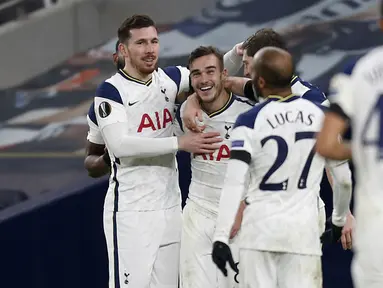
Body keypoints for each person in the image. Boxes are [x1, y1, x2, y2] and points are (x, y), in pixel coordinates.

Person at [93, 14, 243, 288]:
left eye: (154, 41)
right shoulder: (111, 91)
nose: (150, 49)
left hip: (171, 208)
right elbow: (120, 146)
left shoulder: (169, 79)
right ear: (124, 50)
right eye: (141, 43)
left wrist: (237, 52)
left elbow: (209, 77)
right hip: (131, 212)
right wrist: (179, 143)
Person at [211, 47, 352, 288]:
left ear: (261, 81)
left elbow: (234, 182)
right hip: (303, 235)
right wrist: (338, 221)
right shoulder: (321, 115)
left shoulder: (250, 120)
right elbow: (344, 179)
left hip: (259, 234)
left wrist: (221, 237)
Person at [316, 3, 383, 287]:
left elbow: (327, 144)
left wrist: (366, 151)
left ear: (379, 24)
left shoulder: (356, 70)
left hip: (375, 225)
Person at [174, 46, 252, 288]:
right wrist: (189, 102)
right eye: (196, 74)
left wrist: (241, 208)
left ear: (223, 74)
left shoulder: (249, 113)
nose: (204, 80)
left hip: (242, 219)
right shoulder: (185, 117)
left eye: (210, 71)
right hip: (198, 215)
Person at [85, 40, 124, 178]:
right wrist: (108, 158)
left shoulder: (171, 86)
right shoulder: (104, 105)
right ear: (116, 59)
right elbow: (91, 165)